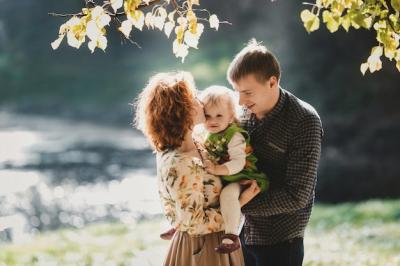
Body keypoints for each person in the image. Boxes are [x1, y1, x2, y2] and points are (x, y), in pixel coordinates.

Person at [134, 71, 257, 265]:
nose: (200, 101)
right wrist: (240, 202)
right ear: (181, 111)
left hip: (218, 243)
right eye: (193, 98)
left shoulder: (199, 142)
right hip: (201, 250)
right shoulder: (178, 162)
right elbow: (194, 223)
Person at [227, 40, 323, 266]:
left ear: (272, 82)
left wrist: (238, 204)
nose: (240, 101)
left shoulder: (304, 120)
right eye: (236, 91)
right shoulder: (241, 113)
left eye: (247, 92)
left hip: (280, 242)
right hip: (240, 234)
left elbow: (297, 195)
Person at [199, 85, 269, 253]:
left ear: (231, 117)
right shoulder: (207, 133)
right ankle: (182, 224)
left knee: (228, 195)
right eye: (207, 116)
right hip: (224, 176)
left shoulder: (234, 135)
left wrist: (216, 169)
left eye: (219, 115)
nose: (212, 120)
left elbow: (238, 162)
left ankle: (231, 235)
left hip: (242, 177)